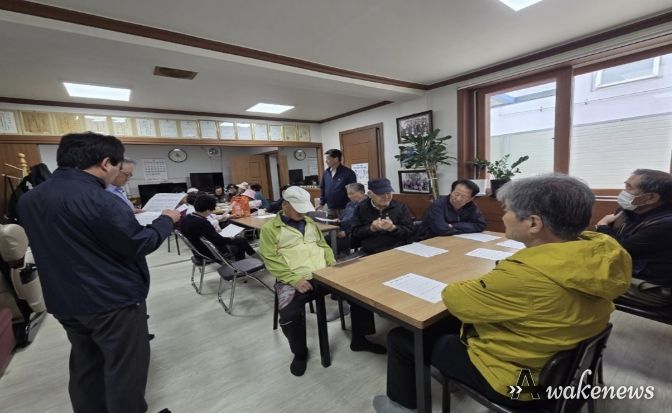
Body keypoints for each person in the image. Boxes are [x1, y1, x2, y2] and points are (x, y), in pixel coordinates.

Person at [373, 174, 632, 413]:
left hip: (520, 381)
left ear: (533, 223)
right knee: (450, 325)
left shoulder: (523, 275)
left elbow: (454, 297)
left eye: (507, 210)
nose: (504, 216)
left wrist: (492, 279)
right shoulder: (603, 253)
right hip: (563, 366)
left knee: (403, 337)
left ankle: (401, 406)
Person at [18, 132, 181, 413]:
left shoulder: (30, 199)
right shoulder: (100, 199)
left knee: (86, 365)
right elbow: (138, 243)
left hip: (64, 299)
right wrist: (166, 220)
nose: (117, 175)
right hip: (111, 301)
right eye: (118, 168)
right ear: (106, 163)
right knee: (125, 370)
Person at [258, 186, 385, 377]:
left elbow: (323, 246)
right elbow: (270, 259)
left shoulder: (309, 223)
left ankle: (360, 339)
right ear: (285, 205)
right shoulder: (270, 229)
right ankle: (300, 353)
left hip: (324, 273)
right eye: (298, 209)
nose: (302, 213)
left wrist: (332, 262)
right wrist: (294, 279)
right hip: (294, 278)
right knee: (289, 315)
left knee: (360, 295)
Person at [596, 169, 672, 307]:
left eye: (629, 188)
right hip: (624, 271)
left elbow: (620, 251)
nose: (623, 192)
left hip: (652, 286)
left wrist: (602, 226)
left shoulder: (666, 224)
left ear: (651, 198)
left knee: (577, 281)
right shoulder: (630, 210)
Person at [180, 194, 256, 261]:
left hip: (198, 250)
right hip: (209, 252)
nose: (212, 211)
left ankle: (243, 261)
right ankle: (251, 260)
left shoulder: (188, 218)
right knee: (241, 240)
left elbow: (212, 236)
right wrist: (230, 238)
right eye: (212, 209)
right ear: (208, 210)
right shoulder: (202, 222)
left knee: (237, 239)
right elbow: (218, 241)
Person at [350, 178, 415, 255]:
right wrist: (371, 228)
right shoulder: (361, 208)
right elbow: (355, 232)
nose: (386, 197)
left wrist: (393, 228)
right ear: (370, 194)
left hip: (397, 250)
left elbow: (410, 231)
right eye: (381, 194)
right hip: (370, 252)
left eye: (388, 193)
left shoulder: (400, 207)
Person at [416, 179, 486, 240]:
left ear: (471, 199)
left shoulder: (471, 206)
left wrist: (453, 225)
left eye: (463, 196)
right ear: (451, 191)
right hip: (429, 240)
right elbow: (441, 230)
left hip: (455, 239)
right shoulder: (438, 204)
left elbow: (480, 225)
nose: (458, 199)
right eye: (456, 194)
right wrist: (466, 228)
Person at [319, 149, 357, 218]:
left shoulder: (348, 173)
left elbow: (353, 190)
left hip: (344, 208)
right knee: (331, 224)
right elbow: (323, 188)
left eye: (328, 159)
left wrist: (352, 206)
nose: (326, 161)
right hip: (330, 207)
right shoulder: (326, 173)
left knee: (344, 224)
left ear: (336, 159)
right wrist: (322, 202)